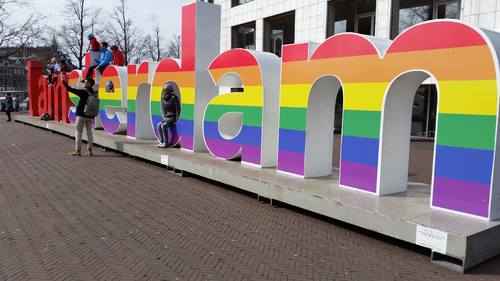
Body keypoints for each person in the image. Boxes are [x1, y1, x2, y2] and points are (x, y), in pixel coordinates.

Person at [61, 72, 96, 156]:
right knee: (89, 133)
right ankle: (89, 150)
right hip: (90, 116)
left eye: (86, 82)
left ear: (90, 83)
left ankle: (78, 150)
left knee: (78, 132)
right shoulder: (94, 93)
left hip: (81, 115)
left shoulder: (84, 92)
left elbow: (70, 89)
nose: (84, 83)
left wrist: (63, 81)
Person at [157, 84, 181, 148]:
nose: (165, 91)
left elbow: (177, 109)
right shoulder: (164, 97)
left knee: (163, 125)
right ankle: (161, 141)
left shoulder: (174, 97)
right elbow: (164, 108)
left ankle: (166, 142)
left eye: (166, 90)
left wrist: (177, 119)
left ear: (170, 90)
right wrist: (165, 116)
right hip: (167, 117)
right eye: (164, 90)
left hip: (173, 117)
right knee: (159, 124)